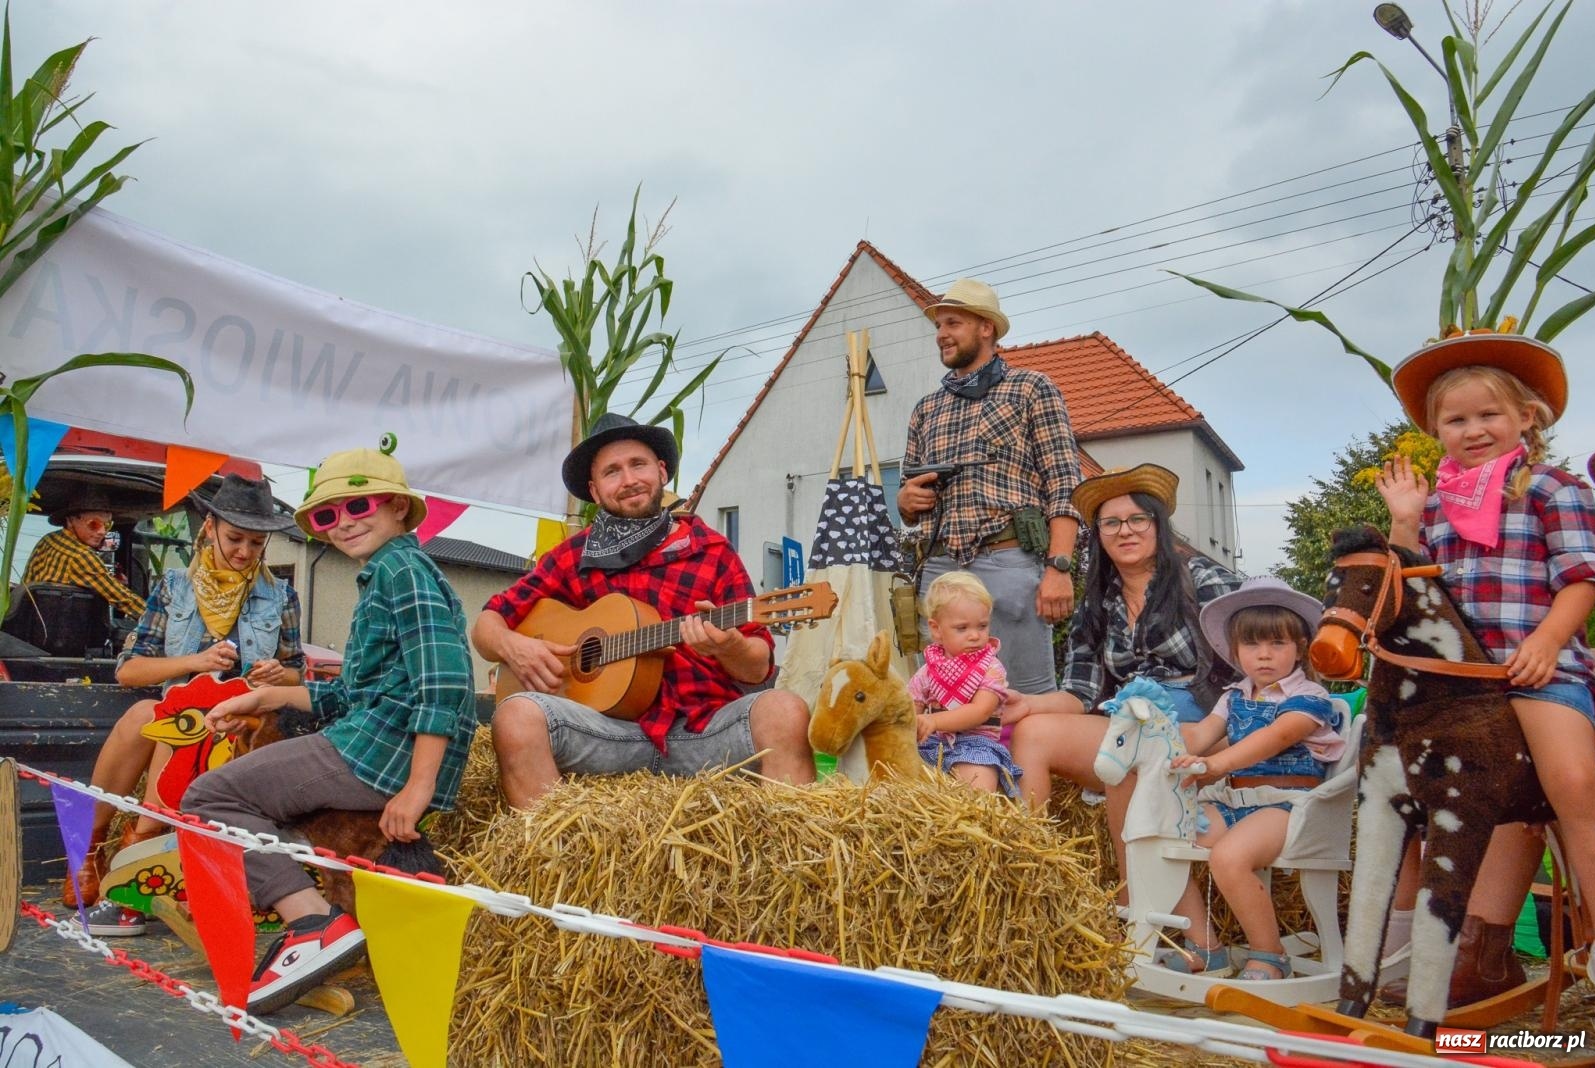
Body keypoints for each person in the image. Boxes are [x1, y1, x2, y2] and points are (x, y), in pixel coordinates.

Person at [185, 447, 477, 1013]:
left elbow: (441, 682)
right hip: (372, 738)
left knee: (212, 794)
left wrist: (418, 788)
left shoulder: (403, 571)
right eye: (326, 516)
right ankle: (312, 901)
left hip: (377, 752)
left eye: (357, 505)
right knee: (255, 785)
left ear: (396, 507)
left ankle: (312, 924)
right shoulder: (387, 574)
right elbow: (350, 692)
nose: (342, 523)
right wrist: (268, 694)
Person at [1376, 334, 1595, 999]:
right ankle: (1473, 954)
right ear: (1435, 431)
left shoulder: (1556, 488)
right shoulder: (1438, 507)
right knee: (1465, 807)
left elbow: (1584, 578)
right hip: (1466, 687)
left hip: (1538, 667)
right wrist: (1404, 526)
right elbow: (1408, 599)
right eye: (1456, 420)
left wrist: (1549, 642)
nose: (1473, 430)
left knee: (1571, 782)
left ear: (1526, 417)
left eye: (1488, 416)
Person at [475, 414, 814, 808]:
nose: (629, 479)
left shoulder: (710, 550)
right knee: (515, 717)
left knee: (786, 710)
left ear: (662, 470)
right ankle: (551, 859)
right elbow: (487, 623)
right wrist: (515, 647)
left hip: (704, 732)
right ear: (595, 490)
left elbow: (758, 668)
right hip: (607, 735)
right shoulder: (572, 557)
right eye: (612, 472)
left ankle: (787, 864)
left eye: (638, 464)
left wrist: (728, 647)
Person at [65, 474, 304, 936]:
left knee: (181, 725)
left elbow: (299, 672)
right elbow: (128, 670)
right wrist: (196, 661)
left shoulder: (281, 596)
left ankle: (135, 849)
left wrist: (276, 673)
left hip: (243, 719)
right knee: (153, 716)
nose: (245, 552)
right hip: (182, 713)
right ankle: (93, 850)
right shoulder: (174, 587)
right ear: (210, 527)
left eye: (257, 543)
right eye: (236, 538)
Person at [1005, 464, 1241, 885]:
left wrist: (1216, 730)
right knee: (1032, 731)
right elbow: (1079, 693)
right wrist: (1026, 704)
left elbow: (1256, 665)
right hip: (1131, 724)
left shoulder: (1201, 579)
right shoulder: (1096, 605)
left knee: (1134, 748)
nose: (1125, 531)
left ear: (1158, 525)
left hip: (1205, 726)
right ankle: (1032, 874)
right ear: (1098, 535)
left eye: (1137, 519)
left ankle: (1135, 895)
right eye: (1111, 523)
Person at [896, 278, 1082, 695]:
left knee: (1024, 698)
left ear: (986, 328)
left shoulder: (1032, 389)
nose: (942, 334)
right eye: (939, 326)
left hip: (1008, 560)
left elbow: (1066, 484)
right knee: (944, 700)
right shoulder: (926, 409)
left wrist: (1059, 567)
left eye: (953, 323)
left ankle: (1031, 762)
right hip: (940, 568)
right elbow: (909, 498)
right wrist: (906, 501)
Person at [1156, 577, 1344, 980]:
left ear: (1299, 648)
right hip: (1234, 804)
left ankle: (1269, 954)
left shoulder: (1310, 698)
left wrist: (1216, 765)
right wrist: (1152, 730)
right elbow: (1199, 735)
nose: (1264, 655)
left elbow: (1276, 737)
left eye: (1277, 644)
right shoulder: (1233, 697)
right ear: (1235, 651)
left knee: (1229, 857)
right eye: (1252, 645)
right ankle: (1206, 947)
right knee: (1164, 841)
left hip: (1289, 807)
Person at [908, 571, 1021, 795]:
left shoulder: (990, 668)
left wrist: (933, 720)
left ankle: (977, 818)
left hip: (975, 744)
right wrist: (912, 726)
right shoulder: (929, 669)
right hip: (931, 744)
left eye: (982, 626)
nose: (975, 636)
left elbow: (980, 711)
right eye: (962, 628)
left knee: (978, 788)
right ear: (936, 629)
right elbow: (912, 705)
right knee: (905, 777)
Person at [21, 489, 145, 620]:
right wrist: (159, 620)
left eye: (108, 525)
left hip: (27, 627)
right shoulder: (82, 556)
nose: (102, 532)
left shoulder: (48, 540)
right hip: (61, 633)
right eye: (94, 524)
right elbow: (124, 600)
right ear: (70, 521)